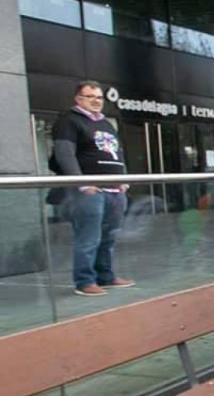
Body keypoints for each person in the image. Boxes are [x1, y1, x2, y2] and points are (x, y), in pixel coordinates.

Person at [52, 80, 134, 296]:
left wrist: (123, 179)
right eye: (91, 97)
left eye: (99, 97)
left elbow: (117, 153)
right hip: (90, 191)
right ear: (78, 99)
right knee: (88, 237)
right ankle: (84, 281)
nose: (97, 101)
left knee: (109, 237)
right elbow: (65, 154)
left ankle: (105, 276)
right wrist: (82, 183)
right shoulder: (69, 121)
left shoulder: (107, 124)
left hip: (115, 191)